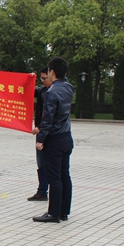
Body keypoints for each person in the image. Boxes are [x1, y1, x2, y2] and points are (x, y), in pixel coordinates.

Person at [33, 57, 74, 223]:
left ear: (52, 72)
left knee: (54, 178)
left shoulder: (52, 92)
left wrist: (40, 139)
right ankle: (64, 212)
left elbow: (48, 119)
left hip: (55, 139)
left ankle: (53, 213)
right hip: (66, 137)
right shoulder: (68, 87)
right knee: (65, 175)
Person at [28, 66, 50, 201]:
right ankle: (42, 191)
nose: (42, 81)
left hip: (51, 134)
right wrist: (29, 80)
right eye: (41, 78)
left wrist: (40, 127)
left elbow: (52, 116)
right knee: (41, 163)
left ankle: (48, 191)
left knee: (49, 165)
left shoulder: (56, 92)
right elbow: (28, 91)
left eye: (44, 78)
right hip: (41, 132)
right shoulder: (42, 90)